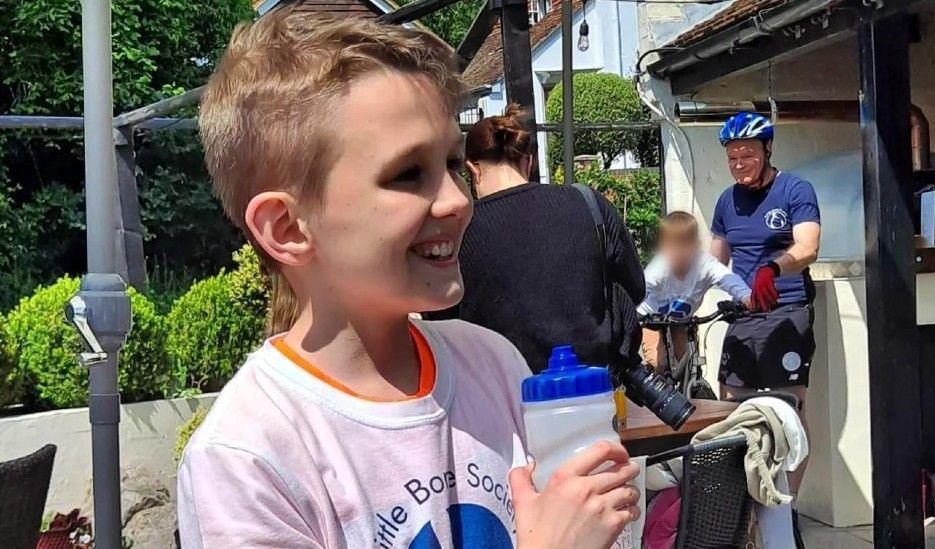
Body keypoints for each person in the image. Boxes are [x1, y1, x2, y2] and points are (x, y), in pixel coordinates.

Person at [176, 10, 639, 548]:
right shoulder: (248, 458)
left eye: (452, 163)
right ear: (286, 228)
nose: (457, 200)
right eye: (406, 175)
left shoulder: (492, 365)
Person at [428, 104, 646, 376]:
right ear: (528, 162)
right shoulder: (588, 203)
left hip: (501, 392)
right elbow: (635, 287)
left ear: (473, 169)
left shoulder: (460, 229)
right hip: (594, 388)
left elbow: (441, 319)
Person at [710, 112, 820, 538]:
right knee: (732, 407)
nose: (740, 164)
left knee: (788, 410)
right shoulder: (726, 201)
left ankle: (786, 505)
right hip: (745, 313)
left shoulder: (795, 189)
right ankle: (750, 505)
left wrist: (774, 268)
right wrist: (682, 293)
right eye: (733, 157)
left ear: (766, 150)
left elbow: (808, 246)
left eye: (748, 155)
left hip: (786, 311)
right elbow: (716, 261)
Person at [638, 211, 752, 373]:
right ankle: (654, 393)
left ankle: (692, 390)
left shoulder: (704, 264)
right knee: (658, 363)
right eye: (672, 247)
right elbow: (641, 288)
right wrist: (630, 310)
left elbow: (727, 278)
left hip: (682, 320)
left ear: (696, 245)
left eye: (684, 246)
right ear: (663, 248)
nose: (678, 253)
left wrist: (747, 296)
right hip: (650, 317)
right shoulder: (659, 267)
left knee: (689, 362)